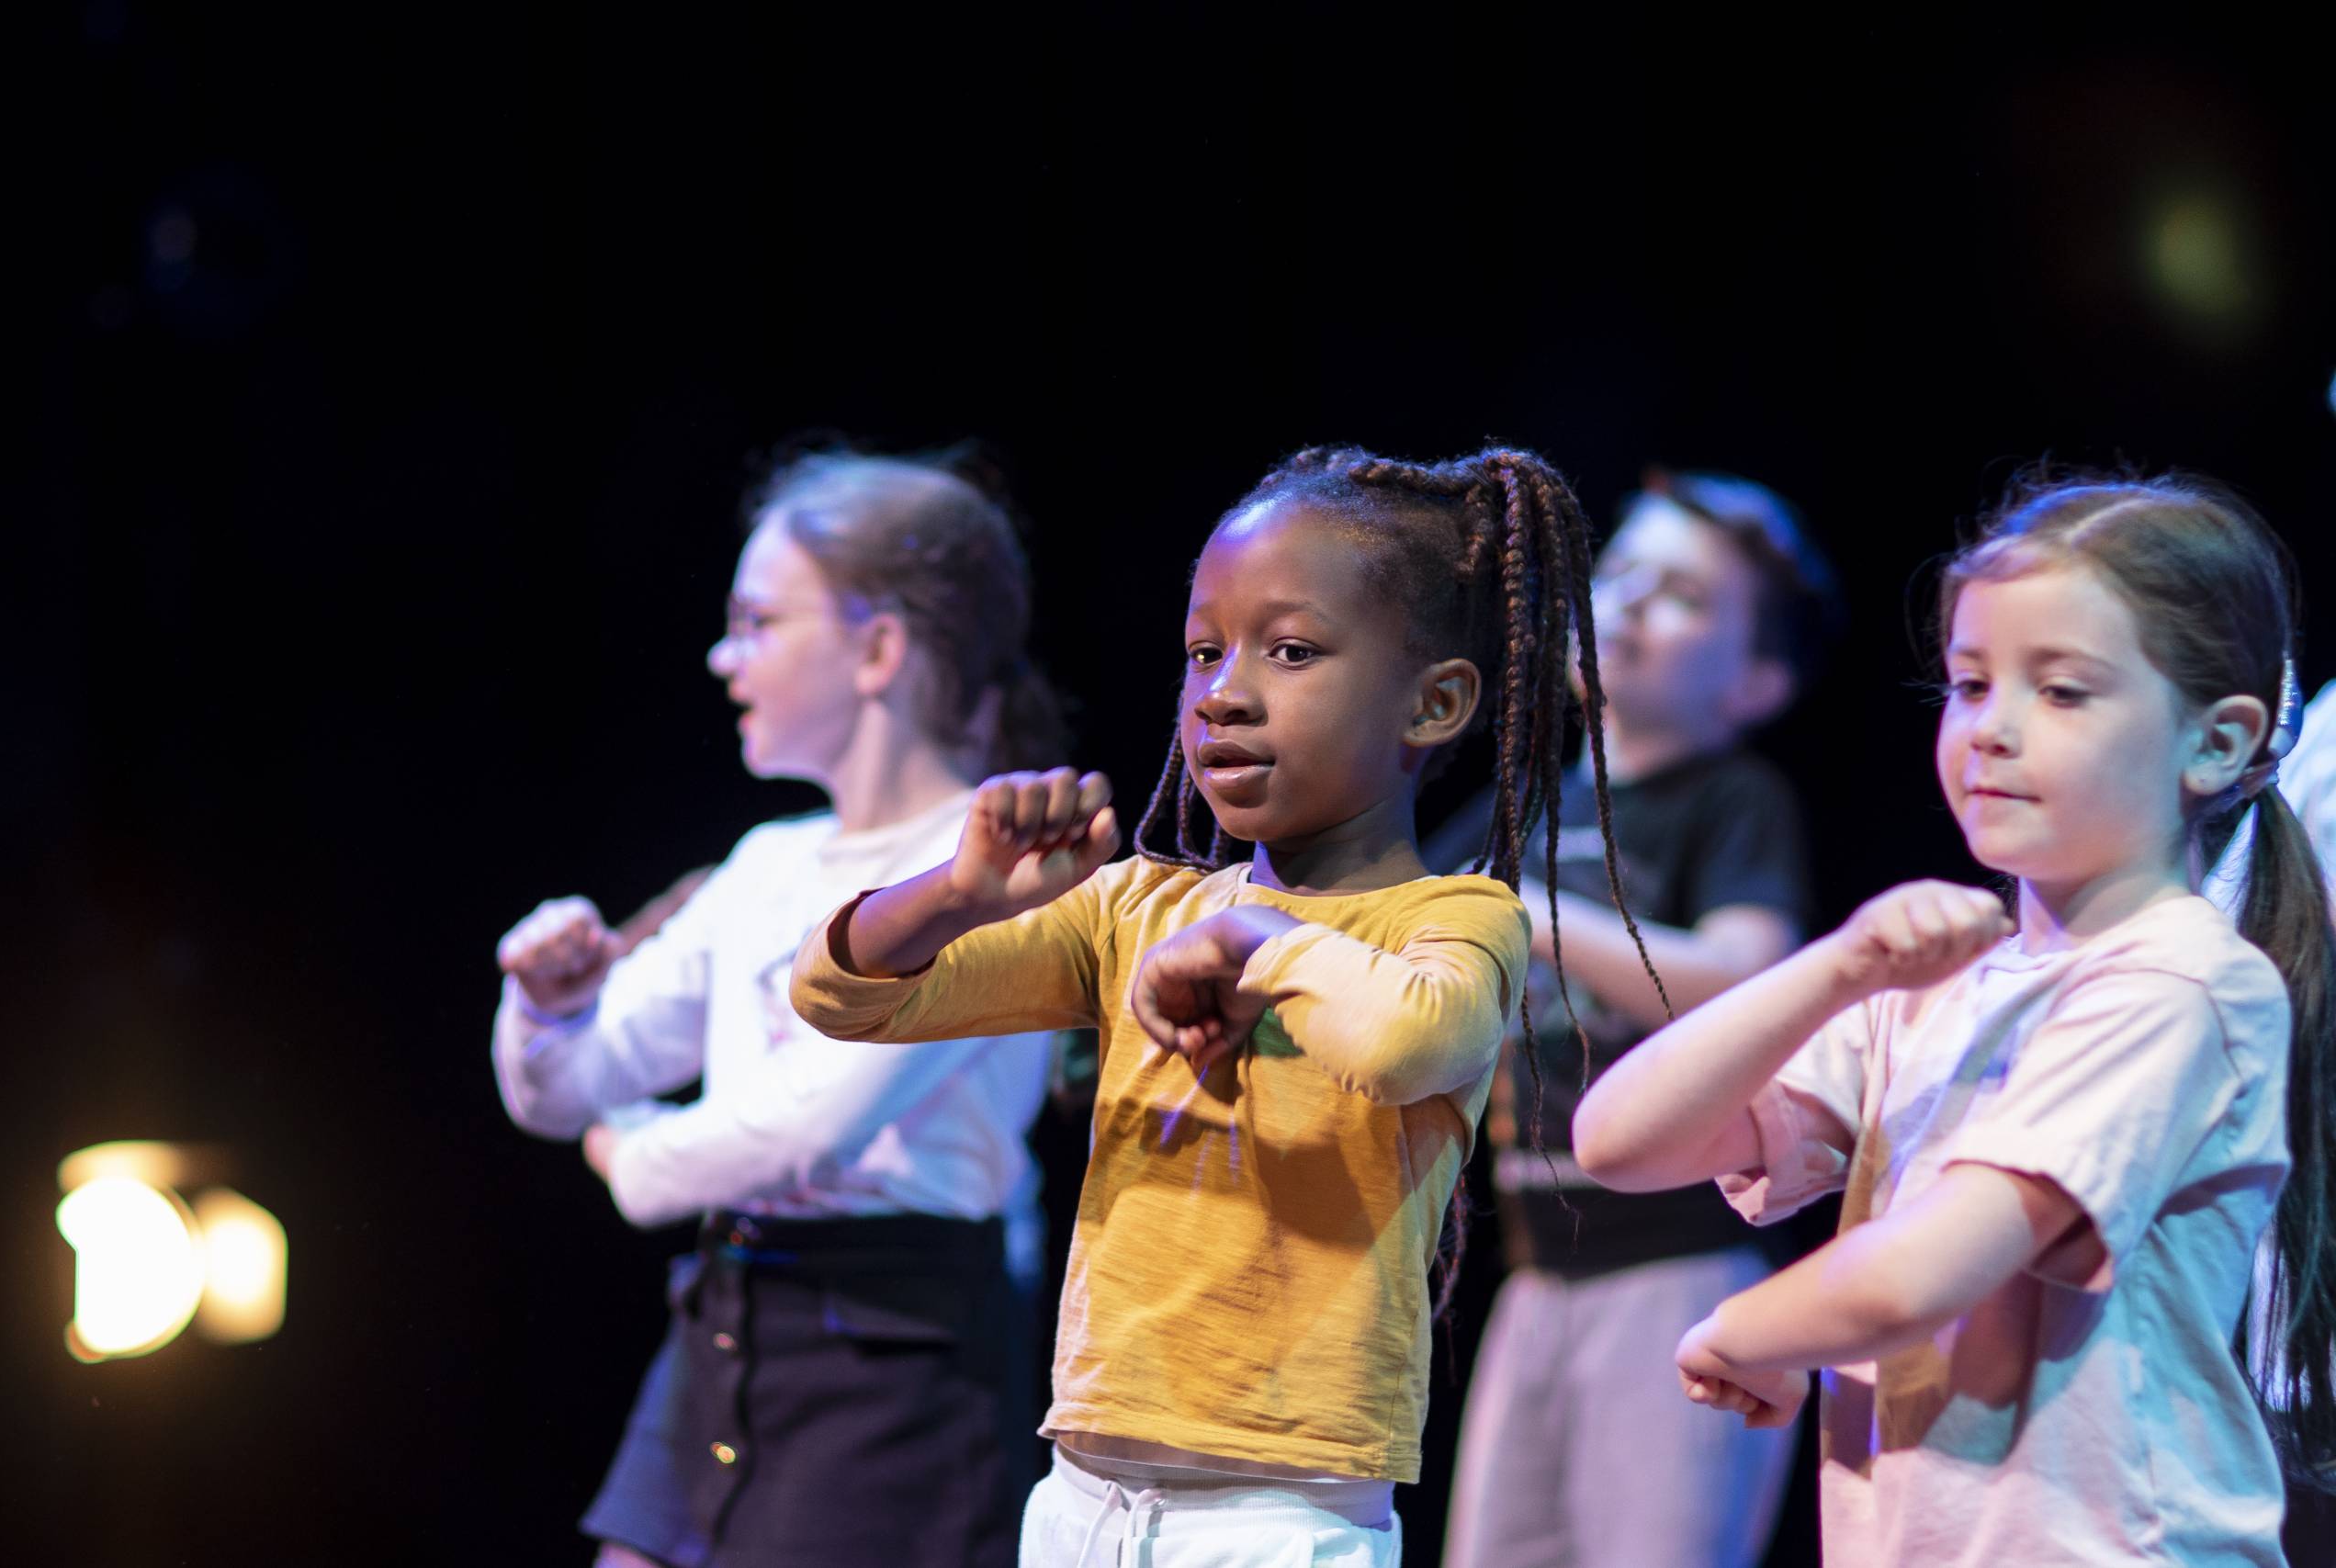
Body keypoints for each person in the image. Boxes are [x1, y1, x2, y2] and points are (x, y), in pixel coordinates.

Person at [791, 445, 1655, 1565]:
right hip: (1081, 1499)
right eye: (1204, 653)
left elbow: (1402, 1042)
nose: (1223, 692)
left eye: (1289, 651)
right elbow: (839, 996)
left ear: (1435, 702)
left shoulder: (1456, 918)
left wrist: (1260, 934)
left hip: (1278, 1514)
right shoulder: (1132, 909)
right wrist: (955, 894)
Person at [1572, 473, 2336, 1564]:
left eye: (2062, 692)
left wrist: (1743, 1331)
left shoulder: (2182, 985)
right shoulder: (1931, 986)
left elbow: (1912, 1278)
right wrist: (1834, 970)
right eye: (1971, 685)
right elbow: (1621, 1140)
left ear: (2213, 743)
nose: (1992, 730)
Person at [491, 450, 1063, 1568]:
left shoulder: (991, 872)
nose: (724, 656)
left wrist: (634, 1153)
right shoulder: (763, 864)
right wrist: (544, 1008)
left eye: (757, 624)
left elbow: (810, 1119)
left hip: (894, 1350)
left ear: (878, 648)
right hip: (728, 1312)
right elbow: (562, 1093)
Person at [1427, 469, 1836, 1568]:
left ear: (1753, 682)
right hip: (1533, 1271)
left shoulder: (1729, 801)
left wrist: (1532, 912)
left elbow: (1750, 982)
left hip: (1678, 1274)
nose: (1634, 604)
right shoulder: (1513, 812)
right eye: (1623, 572)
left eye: (1686, 597)